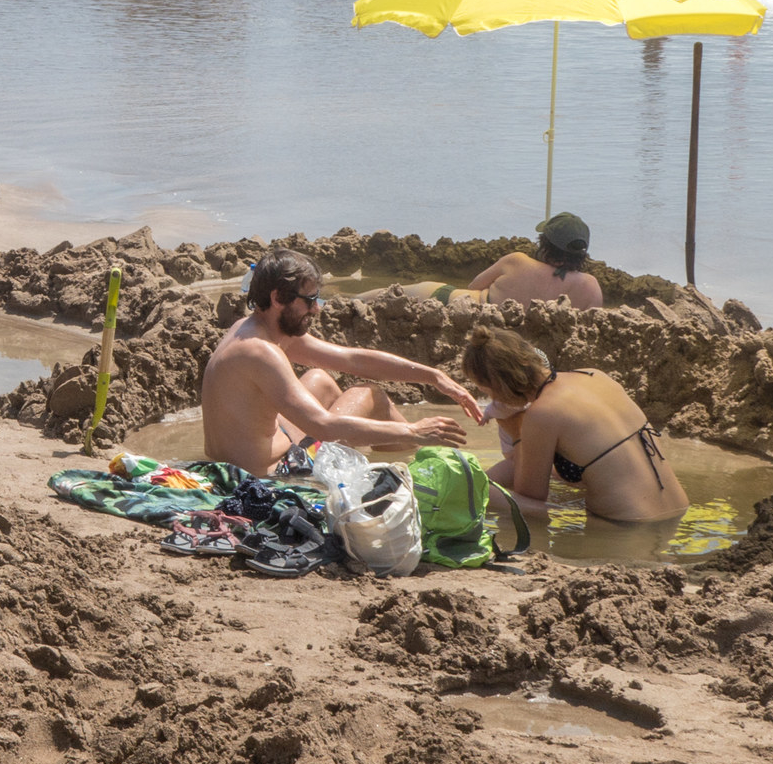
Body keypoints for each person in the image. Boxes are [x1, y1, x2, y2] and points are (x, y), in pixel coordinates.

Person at [199, 251, 477, 474]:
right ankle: (419, 468)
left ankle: (375, 452)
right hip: (270, 475)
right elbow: (323, 425)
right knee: (370, 396)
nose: (316, 309)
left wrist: (433, 376)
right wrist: (415, 431)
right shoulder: (261, 352)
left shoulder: (248, 330)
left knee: (319, 379)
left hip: (237, 458)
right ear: (277, 298)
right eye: (309, 300)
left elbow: (351, 359)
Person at [461, 324, 689, 529]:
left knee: (478, 491)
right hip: (677, 513)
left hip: (624, 526)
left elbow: (529, 499)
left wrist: (517, 435)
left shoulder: (541, 413)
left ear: (500, 386)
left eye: (486, 391)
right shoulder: (594, 375)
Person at [408, 214, 607, 309]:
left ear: (544, 244)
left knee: (380, 295)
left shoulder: (518, 261)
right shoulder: (590, 286)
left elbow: (474, 286)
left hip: (456, 303)